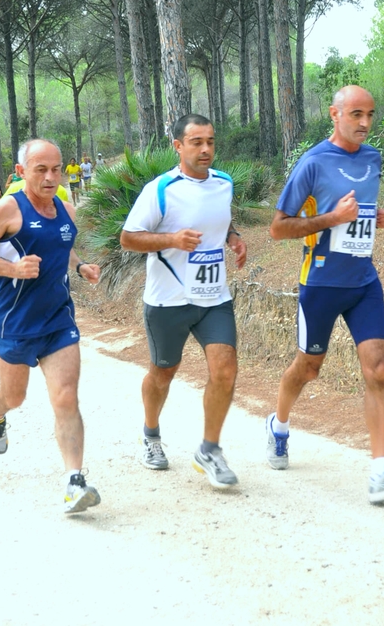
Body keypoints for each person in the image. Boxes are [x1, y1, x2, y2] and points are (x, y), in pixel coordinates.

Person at [266, 85, 384, 505]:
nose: (365, 123)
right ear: (335, 115)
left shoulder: (373, 159)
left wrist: (378, 219)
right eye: (356, 114)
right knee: (308, 369)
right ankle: (278, 426)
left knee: (379, 370)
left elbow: (360, 217)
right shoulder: (313, 162)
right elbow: (279, 227)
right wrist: (333, 218)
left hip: (362, 282)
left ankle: (380, 471)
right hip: (319, 284)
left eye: (370, 114)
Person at [0, 138, 101, 514]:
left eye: (56, 168)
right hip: (14, 322)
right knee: (15, 396)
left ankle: (74, 481)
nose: (51, 177)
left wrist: (80, 265)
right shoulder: (8, 208)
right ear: (21, 172)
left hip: (57, 320)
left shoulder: (66, 209)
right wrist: (12, 269)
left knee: (66, 397)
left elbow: (61, 245)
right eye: (41, 169)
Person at [120, 113, 247, 489]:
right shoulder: (160, 189)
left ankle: (209, 449)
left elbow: (220, 222)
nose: (205, 149)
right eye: (196, 142)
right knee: (164, 373)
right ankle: (151, 435)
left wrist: (234, 238)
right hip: (168, 302)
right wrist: (172, 240)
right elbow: (129, 237)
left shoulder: (224, 183)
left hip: (213, 298)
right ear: (178, 146)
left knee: (225, 370)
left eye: (210, 141)